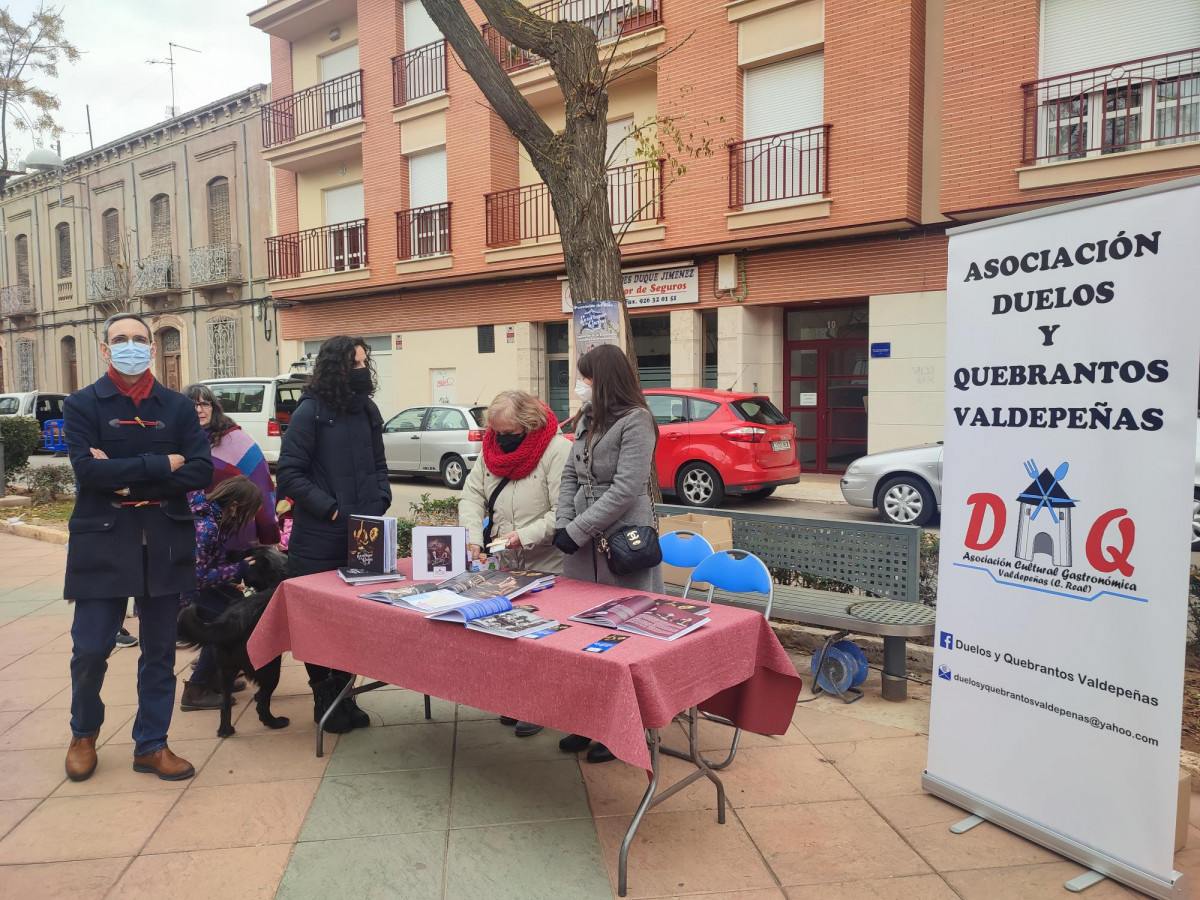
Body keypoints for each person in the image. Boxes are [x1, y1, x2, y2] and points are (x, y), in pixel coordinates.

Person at [62, 312, 213, 783]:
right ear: (105, 350)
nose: (131, 345)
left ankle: (151, 743)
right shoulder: (82, 404)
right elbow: (87, 471)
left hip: (163, 538)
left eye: (139, 339)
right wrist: (159, 465)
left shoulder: (177, 406)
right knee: (90, 648)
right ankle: (83, 733)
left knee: (160, 652)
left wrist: (123, 474)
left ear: (152, 346)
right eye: (120, 339)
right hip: (102, 540)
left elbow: (200, 471)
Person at [553, 344, 663, 764]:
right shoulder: (587, 418)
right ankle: (587, 721)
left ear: (604, 380)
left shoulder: (637, 421)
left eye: (586, 377)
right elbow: (568, 476)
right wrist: (564, 524)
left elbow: (625, 489)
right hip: (582, 542)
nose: (580, 385)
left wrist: (578, 529)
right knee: (583, 635)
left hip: (622, 538)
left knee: (623, 637)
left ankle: (626, 729)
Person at [277, 335, 391, 734]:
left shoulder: (367, 410)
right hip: (319, 539)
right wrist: (331, 508)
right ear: (334, 367)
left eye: (364, 363)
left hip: (364, 536)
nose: (361, 370)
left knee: (353, 623)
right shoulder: (309, 412)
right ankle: (325, 699)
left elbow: (379, 463)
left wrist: (382, 497)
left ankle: (345, 695)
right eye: (354, 364)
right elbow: (289, 473)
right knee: (321, 624)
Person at [458, 390, 571, 737]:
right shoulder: (491, 448)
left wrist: (524, 535)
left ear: (529, 425)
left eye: (509, 434)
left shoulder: (557, 450)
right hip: (505, 559)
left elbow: (563, 512)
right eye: (497, 432)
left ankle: (538, 706)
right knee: (507, 633)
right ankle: (516, 699)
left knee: (541, 638)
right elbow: (473, 494)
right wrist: (473, 537)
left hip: (547, 559)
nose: (501, 440)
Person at [178, 476, 264, 712]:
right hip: (183, 595)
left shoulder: (213, 518)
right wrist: (239, 569)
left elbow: (208, 565)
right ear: (235, 506)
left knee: (238, 607)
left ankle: (216, 677)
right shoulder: (207, 527)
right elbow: (198, 577)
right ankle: (196, 689)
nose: (251, 520)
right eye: (250, 513)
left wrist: (230, 579)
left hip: (190, 587)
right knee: (222, 626)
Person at [183, 383, 280, 551]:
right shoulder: (178, 440)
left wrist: (268, 531)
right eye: (192, 405)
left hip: (234, 533)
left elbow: (262, 487)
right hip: (191, 533)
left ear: (213, 407)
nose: (199, 410)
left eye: (205, 404)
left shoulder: (237, 441)